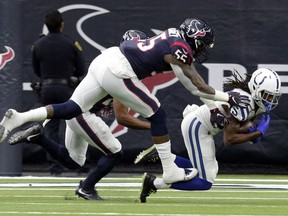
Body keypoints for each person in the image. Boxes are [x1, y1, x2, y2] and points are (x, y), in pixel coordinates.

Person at [0, 18, 249, 184]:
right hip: (119, 70)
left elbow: (195, 87)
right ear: (194, 38)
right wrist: (228, 98)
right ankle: (170, 170)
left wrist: (214, 104)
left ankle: (20, 117)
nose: (201, 50)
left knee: (71, 108)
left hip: (105, 60)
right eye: (202, 45)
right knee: (158, 115)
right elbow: (197, 85)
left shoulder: (172, 38)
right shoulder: (179, 47)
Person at [8, 30, 151, 201]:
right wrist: (153, 125)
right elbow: (122, 117)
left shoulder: (111, 61)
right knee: (115, 152)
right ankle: (86, 188)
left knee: (73, 161)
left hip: (78, 111)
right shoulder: (122, 70)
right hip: (84, 113)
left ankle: (38, 138)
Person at [138, 68, 282, 203]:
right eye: (267, 95)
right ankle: (155, 180)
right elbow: (229, 139)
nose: (270, 99)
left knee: (206, 172)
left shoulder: (252, 102)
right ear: (256, 90)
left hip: (202, 126)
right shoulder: (245, 103)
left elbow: (238, 126)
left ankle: (163, 160)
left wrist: (251, 132)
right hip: (198, 126)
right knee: (204, 181)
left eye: (272, 96)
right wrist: (257, 132)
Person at [31, 9, 86, 174]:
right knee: (78, 124)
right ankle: (80, 163)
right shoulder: (71, 43)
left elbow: (36, 70)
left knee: (51, 128)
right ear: (62, 25)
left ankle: (55, 166)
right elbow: (81, 68)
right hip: (67, 89)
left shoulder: (38, 45)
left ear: (47, 26)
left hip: (47, 88)